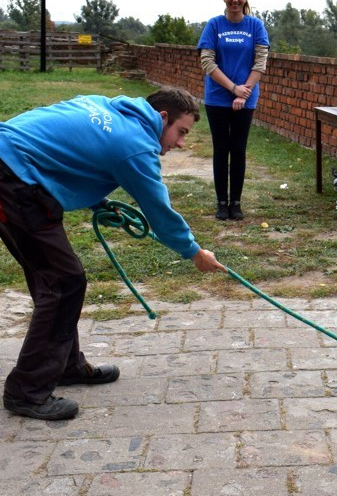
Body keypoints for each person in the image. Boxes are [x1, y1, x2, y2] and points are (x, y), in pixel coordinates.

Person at [0, 88, 227, 421]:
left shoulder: (111, 109)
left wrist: (99, 202)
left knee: (54, 279)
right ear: (162, 117)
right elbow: (159, 212)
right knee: (64, 282)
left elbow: (71, 153)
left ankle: (63, 366)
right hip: (13, 179)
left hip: (11, 166)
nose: (180, 143)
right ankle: (27, 391)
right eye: (181, 132)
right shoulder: (134, 145)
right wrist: (194, 252)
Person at [198, 0, 269, 221]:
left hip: (246, 98)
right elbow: (207, 62)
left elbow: (260, 63)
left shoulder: (255, 26)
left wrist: (244, 91)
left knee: (238, 150)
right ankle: (221, 203)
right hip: (217, 98)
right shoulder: (214, 25)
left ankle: (236, 203)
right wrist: (233, 89)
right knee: (221, 150)